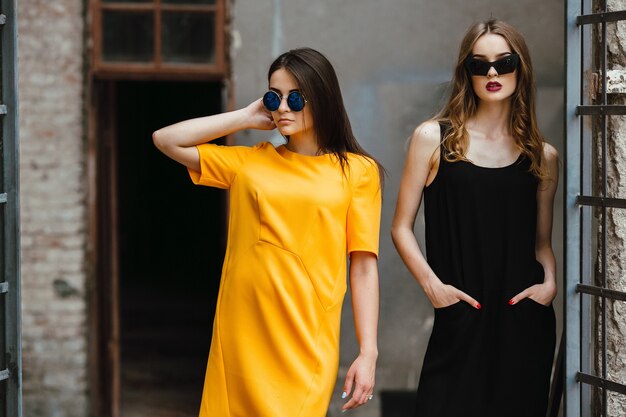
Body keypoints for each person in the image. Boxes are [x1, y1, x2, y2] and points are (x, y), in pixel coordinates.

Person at [152, 47, 382, 417]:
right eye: (275, 96)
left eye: (296, 97)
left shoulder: (358, 171)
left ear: (322, 97)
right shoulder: (251, 162)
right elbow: (166, 139)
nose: (283, 107)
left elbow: (364, 265)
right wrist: (245, 116)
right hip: (243, 330)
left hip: (306, 334)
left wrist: (368, 352)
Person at [391, 19, 558, 417]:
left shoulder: (543, 156)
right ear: (466, 72)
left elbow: (541, 243)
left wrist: (550, 283)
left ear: (522, 67)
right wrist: (434, 288)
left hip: (524, 321)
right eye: (479, 64)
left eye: (505, 62)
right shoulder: (433, 139)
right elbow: (400, 227)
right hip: (460, 318)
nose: (493, 73)